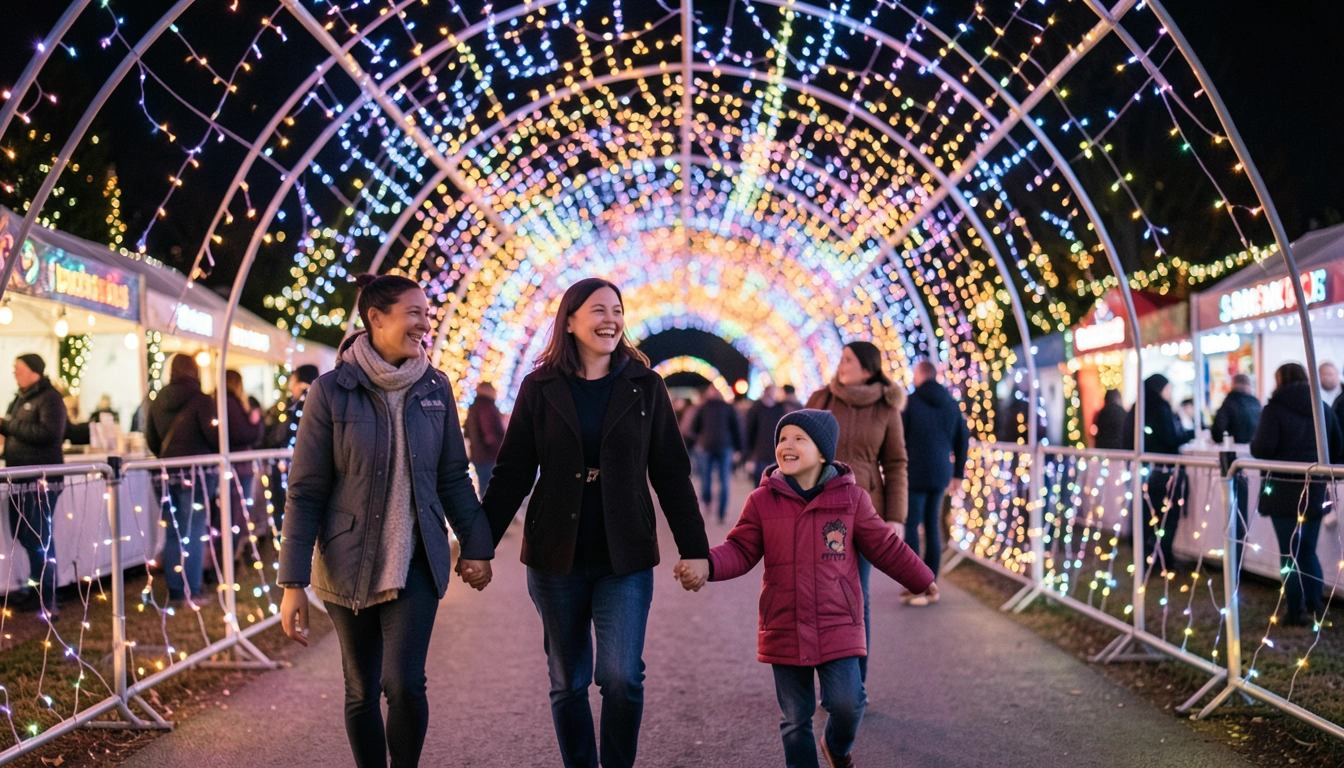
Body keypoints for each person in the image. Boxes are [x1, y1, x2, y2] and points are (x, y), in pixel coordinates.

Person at [482, 278, 709, 768]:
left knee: (621, 676)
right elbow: (513, 471)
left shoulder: (646, 385)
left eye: (617, 310)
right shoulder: (539, 387)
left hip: (624, 555)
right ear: (569, 321)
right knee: (568, 681)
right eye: (599, 310)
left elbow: (671, 473)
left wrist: (696, 549)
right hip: (554, 555)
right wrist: (481, 546)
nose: (611, 320)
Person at [278, 273, 494, 768]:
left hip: (416, 558)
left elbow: (453, 477)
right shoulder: (330, 392)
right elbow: (306, 491)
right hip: (347, 561)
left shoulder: (436, 387)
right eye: (414, 313)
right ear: (376, 318)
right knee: (361, 689)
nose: (425, 324)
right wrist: (292, 583)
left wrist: (477, 546)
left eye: (427, 314)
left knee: (404, 683)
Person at [687, 409, 935, 768]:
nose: (786, 445)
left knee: (849, 703)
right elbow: (740, 549)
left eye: (798, 439)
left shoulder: (852, 500)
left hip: (839, 622)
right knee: (795, 718)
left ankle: (836, 747)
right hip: (784, 622)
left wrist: (922, 579)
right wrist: (706, 565)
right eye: (782, 439)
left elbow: (886, 547)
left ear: (823, 453)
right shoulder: (762, 501)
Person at [806, 341, 907, 682]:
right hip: (818, 508)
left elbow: (895, 463)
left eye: (848, 360)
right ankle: (825, 678)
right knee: (819, 594)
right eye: (841, 358)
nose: (841, 365)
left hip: (865, 513)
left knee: (855, 597)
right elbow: (798, 450)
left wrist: (895, 517)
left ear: (867, 369)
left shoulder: (886, 408)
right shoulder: (821, 399)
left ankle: (854, 684)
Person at [1250, 363, 1344, 626]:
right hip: (1313, 489)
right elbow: (1337, 447)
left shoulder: (1274, 409)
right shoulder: (1322, 408)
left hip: (1281, 490)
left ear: (1279, 380)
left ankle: (1295, 611)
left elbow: (1262, 448)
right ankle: (1314, 603)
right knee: (1308, 552)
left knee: (1289, 554)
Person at [146, 353, 222, 607]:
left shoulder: (157, 400)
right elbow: (214, 437)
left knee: (172, 532)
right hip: (196, 474)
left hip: (166, 473)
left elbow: (151, 439)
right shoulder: (202, 400)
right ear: (194, 371)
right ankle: (193, 590)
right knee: (194, 531)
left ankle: (176, 591)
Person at [1, 354, 67, 620]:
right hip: (19, 480)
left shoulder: (50, 398)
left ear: (33, 371)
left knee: (40, 538)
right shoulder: (19, 399)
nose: (15, 373)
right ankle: (35, 590)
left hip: (41, 481)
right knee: (27, 537)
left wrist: (7, 425)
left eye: (19, 368)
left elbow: (49, 433)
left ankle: (48, 596)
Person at [901, 361, 969, 605]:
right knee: (932, 525)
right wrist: (957, 473)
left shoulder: (909, 402)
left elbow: (900, 437)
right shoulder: (951, 403)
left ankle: (914, 581)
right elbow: (963, 439)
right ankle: (931, 582)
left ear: (919, 376)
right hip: (941, 472)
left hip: (914, 471)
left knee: (911, 525)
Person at [1122, 373, 1193, 574]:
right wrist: (1191, 433)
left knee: (1147, 517)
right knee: (1167, 518)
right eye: (1168, 388)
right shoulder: (1160, 409)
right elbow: (1171, 438)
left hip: (1144, 472)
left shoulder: (1138, 408)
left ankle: (1146, 559)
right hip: (1164, 472)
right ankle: (1163, 560)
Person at [1211, 373, 1262, 570]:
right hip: (1255, 462)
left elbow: (1217, 432)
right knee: (1244, 512)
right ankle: (1241, 560)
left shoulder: (1229, 403)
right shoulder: (1256, 404)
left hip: (1235, 462)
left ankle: (1234, 561)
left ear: (1233, 385)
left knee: (1233, 511)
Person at [264, 363, 320, 528]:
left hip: (293, 466)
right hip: (295, 465)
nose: (290, 387)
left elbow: (290, 433)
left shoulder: (304, 402)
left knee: (289, 510)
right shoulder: (309, 401)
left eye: (293, 381)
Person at [223, 370, 266, 560]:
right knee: (238, 514)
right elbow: (243, 434)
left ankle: (230, 555)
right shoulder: (232, 404)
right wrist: (255, 423)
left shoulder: (220, 402)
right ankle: (230, 557)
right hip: (240, 466)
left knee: (231, 513)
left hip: (231, 465)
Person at [689, 385, 744, 523]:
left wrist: (699, 438)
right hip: (725, 446)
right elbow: (736, 428)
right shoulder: (728, 407)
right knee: (724, 479)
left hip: (706, 446)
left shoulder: (703, 407)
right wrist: (739, 449)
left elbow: (694, 427)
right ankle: (721, 512)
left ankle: (707, 503)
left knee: (706, 477)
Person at [464, 381, 506, 497]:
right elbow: (489, 433)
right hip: (489, 455)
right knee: (491, 490)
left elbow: (467, 432)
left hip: (478, 455)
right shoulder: (486, 406)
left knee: (485, 488)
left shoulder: (474, 407)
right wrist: (502, 450)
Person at [745, 385, 788, 484]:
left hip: (775, 453)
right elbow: (750, 430)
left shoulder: (779, 407)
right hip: (760, 453)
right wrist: (749, 453)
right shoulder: (757, 407)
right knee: (760, 482)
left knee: (775, 483)